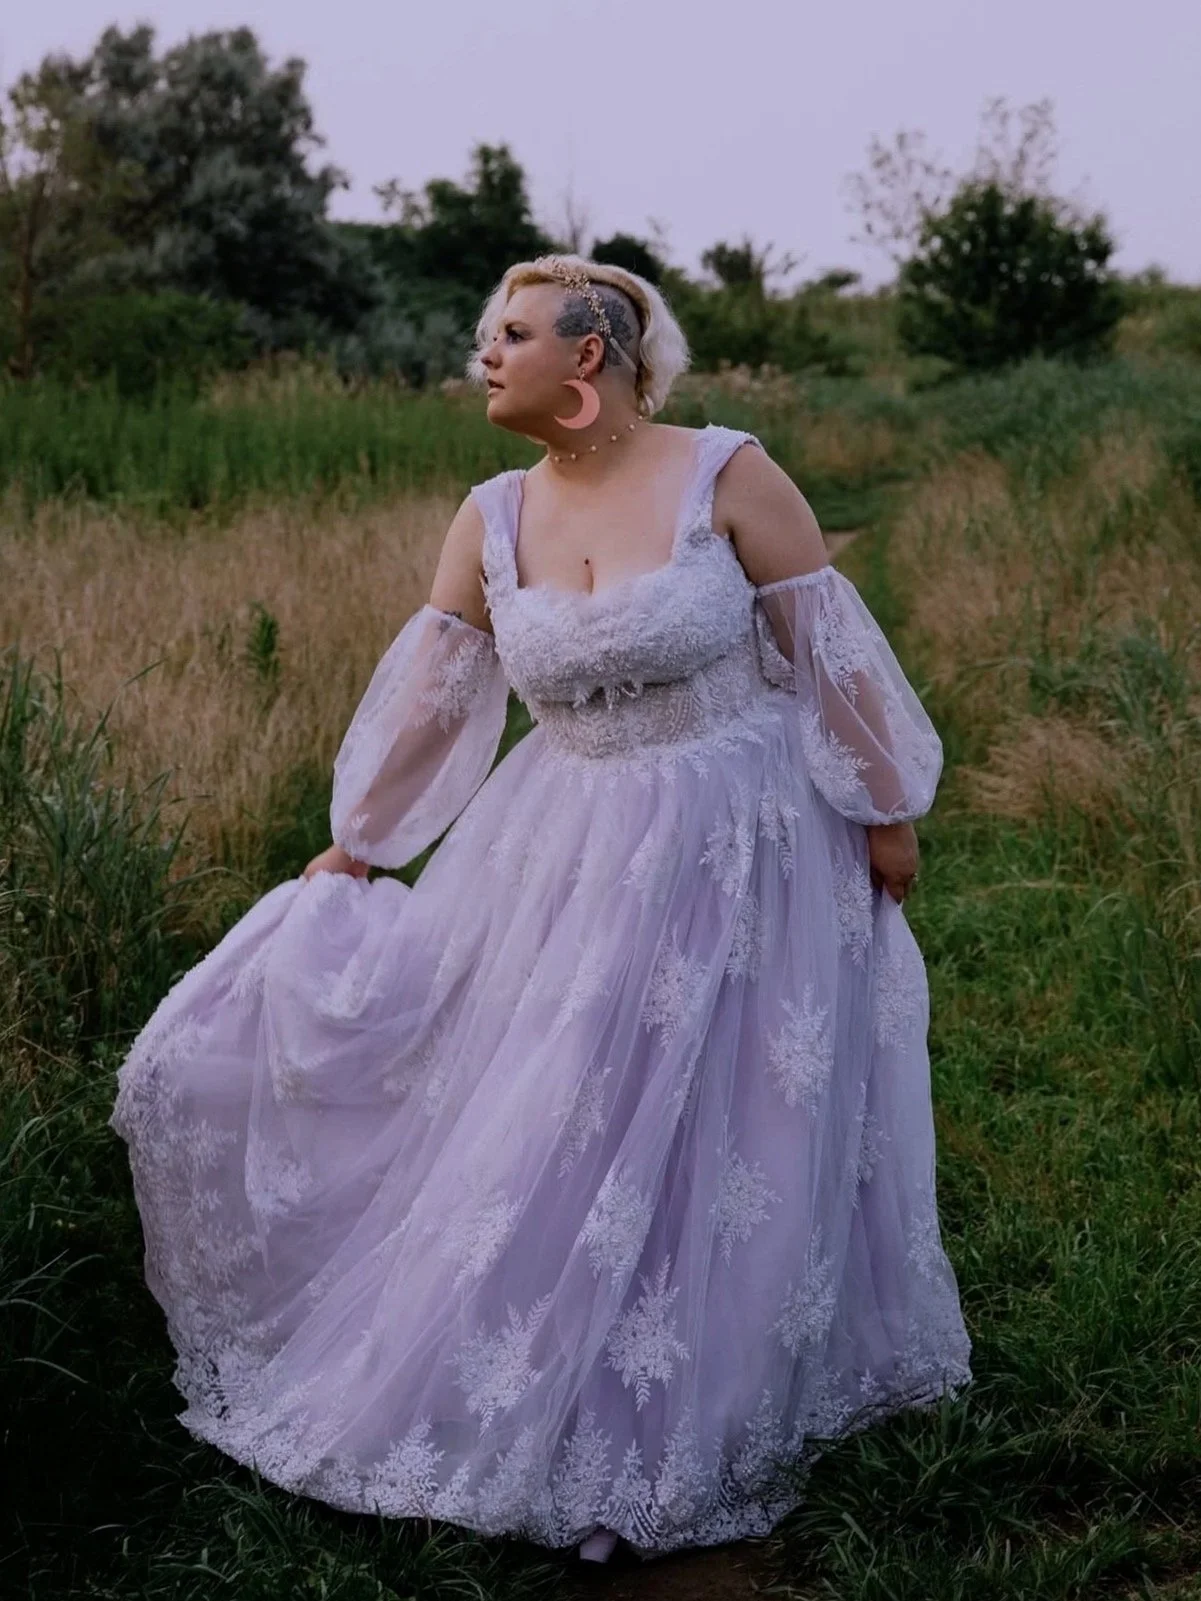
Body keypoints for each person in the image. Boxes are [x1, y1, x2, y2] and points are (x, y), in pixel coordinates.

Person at [110, 253, 972, 1568]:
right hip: (567, 839)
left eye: (509, 333)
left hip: (744, 834)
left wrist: (884, 810)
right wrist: (358, 846)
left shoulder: (728, 474)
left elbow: (826, 650)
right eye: (487, 334)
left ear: (591, 354)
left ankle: (707, 1385)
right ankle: (557, 1370)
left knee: (731, 1100)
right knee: (571, 1092)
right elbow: (435, 699)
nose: (485, 354)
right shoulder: (490, 515)